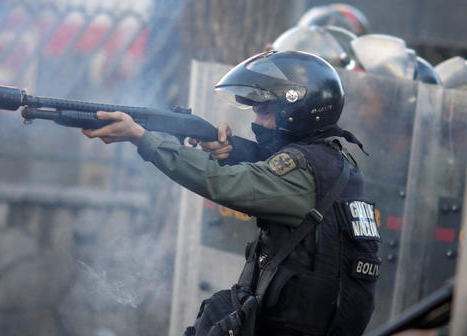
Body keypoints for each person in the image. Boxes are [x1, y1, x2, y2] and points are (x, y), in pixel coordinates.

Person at [82, 50, 380, 335]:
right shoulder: (331, 160)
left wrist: (141, 138)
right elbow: (269, 167)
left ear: (297, 111)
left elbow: (221, 182)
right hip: (295, 321)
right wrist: (230, 150)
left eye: (265, 111)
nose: (256, 122)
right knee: (218, 311)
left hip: (293, 327)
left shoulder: (305, 170)